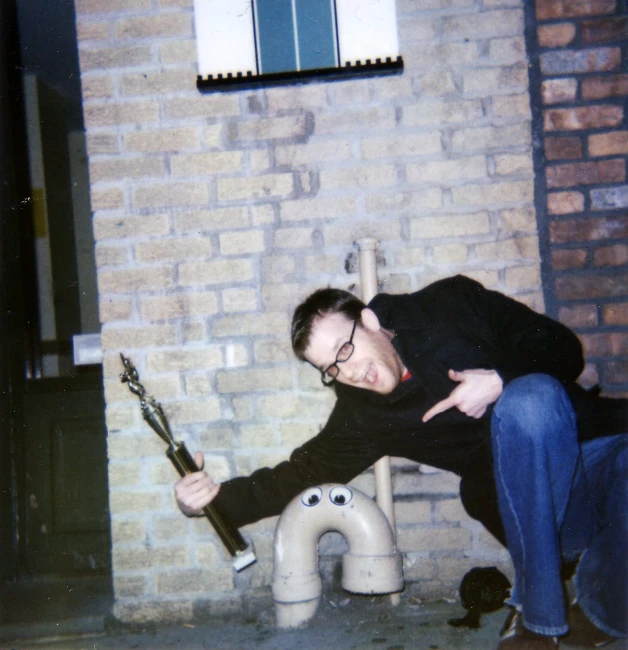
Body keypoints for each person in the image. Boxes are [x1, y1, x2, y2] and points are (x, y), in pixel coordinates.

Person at [175, 274, 627, 650]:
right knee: (522, 411)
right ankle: (540, 619)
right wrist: (214, 502)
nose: (348, 373)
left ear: (369, 320)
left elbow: (559, 345)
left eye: (345, 351)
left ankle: (596, 613)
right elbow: (304, 473)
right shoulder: (364, 411)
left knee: (529, 397)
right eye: (331, 370)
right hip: (545, 517)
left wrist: (500, 380)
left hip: (599, 454)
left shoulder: (451, 304)